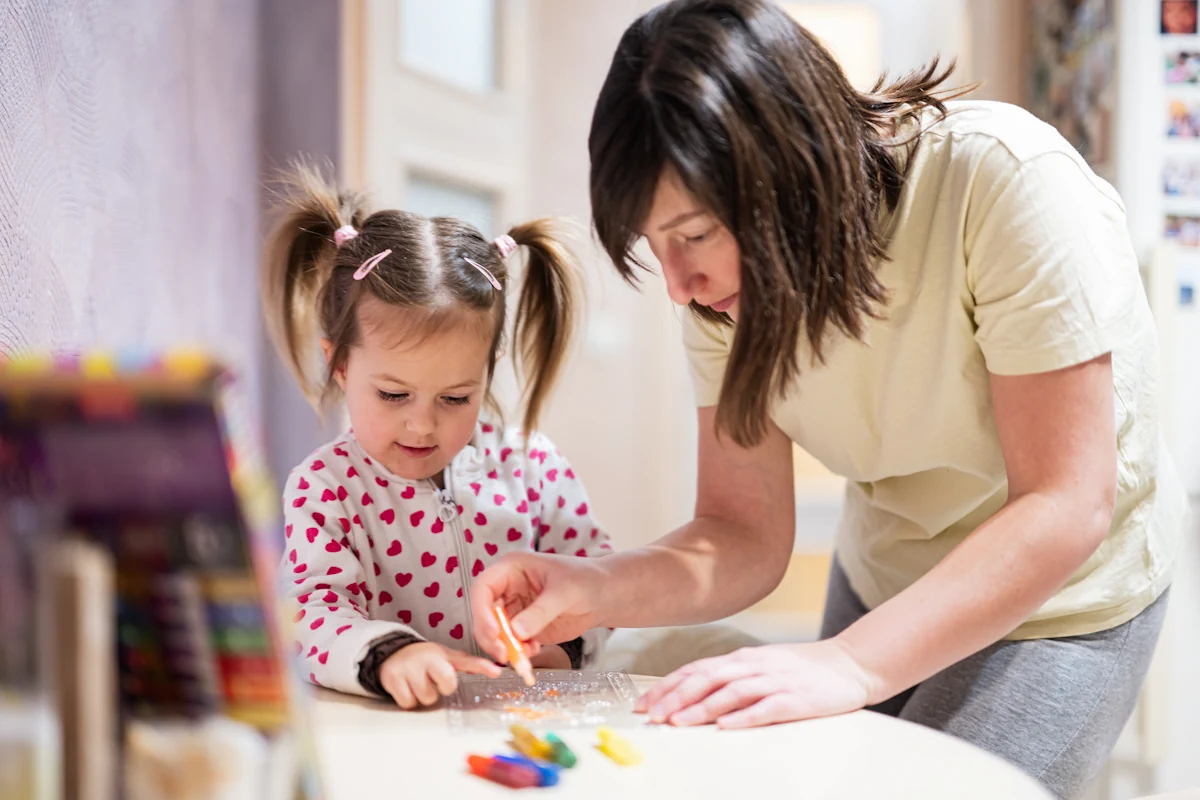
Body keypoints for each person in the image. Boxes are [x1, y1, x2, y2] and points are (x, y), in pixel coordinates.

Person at [470, 1, 1185, 796]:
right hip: (891, 569)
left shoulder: (1005, 181)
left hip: (1065, 593)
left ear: (790, 168)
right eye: (652, 244)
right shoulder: (717, 299)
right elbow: (742, 530)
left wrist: (850, 662)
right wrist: (599, 589)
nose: (677, 284)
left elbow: (1064, 503)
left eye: (696, 234)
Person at [262, 164, 612, 709]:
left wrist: (567, 647)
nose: (423, 425)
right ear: (340, 366)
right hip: (394, 730)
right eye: (393, 395)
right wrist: (389, 654)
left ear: (488, 374)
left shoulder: (534, 465)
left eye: (455, 398)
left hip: (521, 716)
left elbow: (597, 576)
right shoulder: (325, 488)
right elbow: (313, 613)